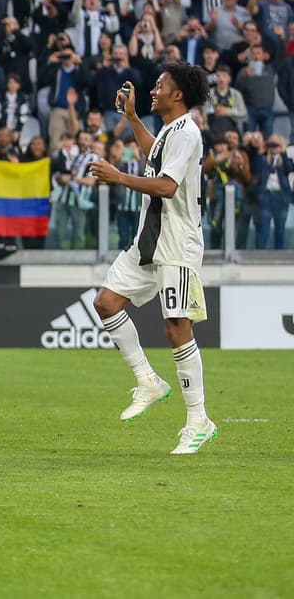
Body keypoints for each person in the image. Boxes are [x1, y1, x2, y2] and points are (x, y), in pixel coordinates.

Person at [87, 63, 217, 454]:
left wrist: (119, 177)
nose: (153, 89)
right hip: (150, 238)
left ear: (178, 95)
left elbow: (166, 184)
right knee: (106, 302)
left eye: (161, 85)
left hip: (176, 242)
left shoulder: (188, 131)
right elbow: (155, 156)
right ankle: (147, 380)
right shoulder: (169, 130)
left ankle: (198, 420)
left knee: (177, 327)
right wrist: (131, 118)